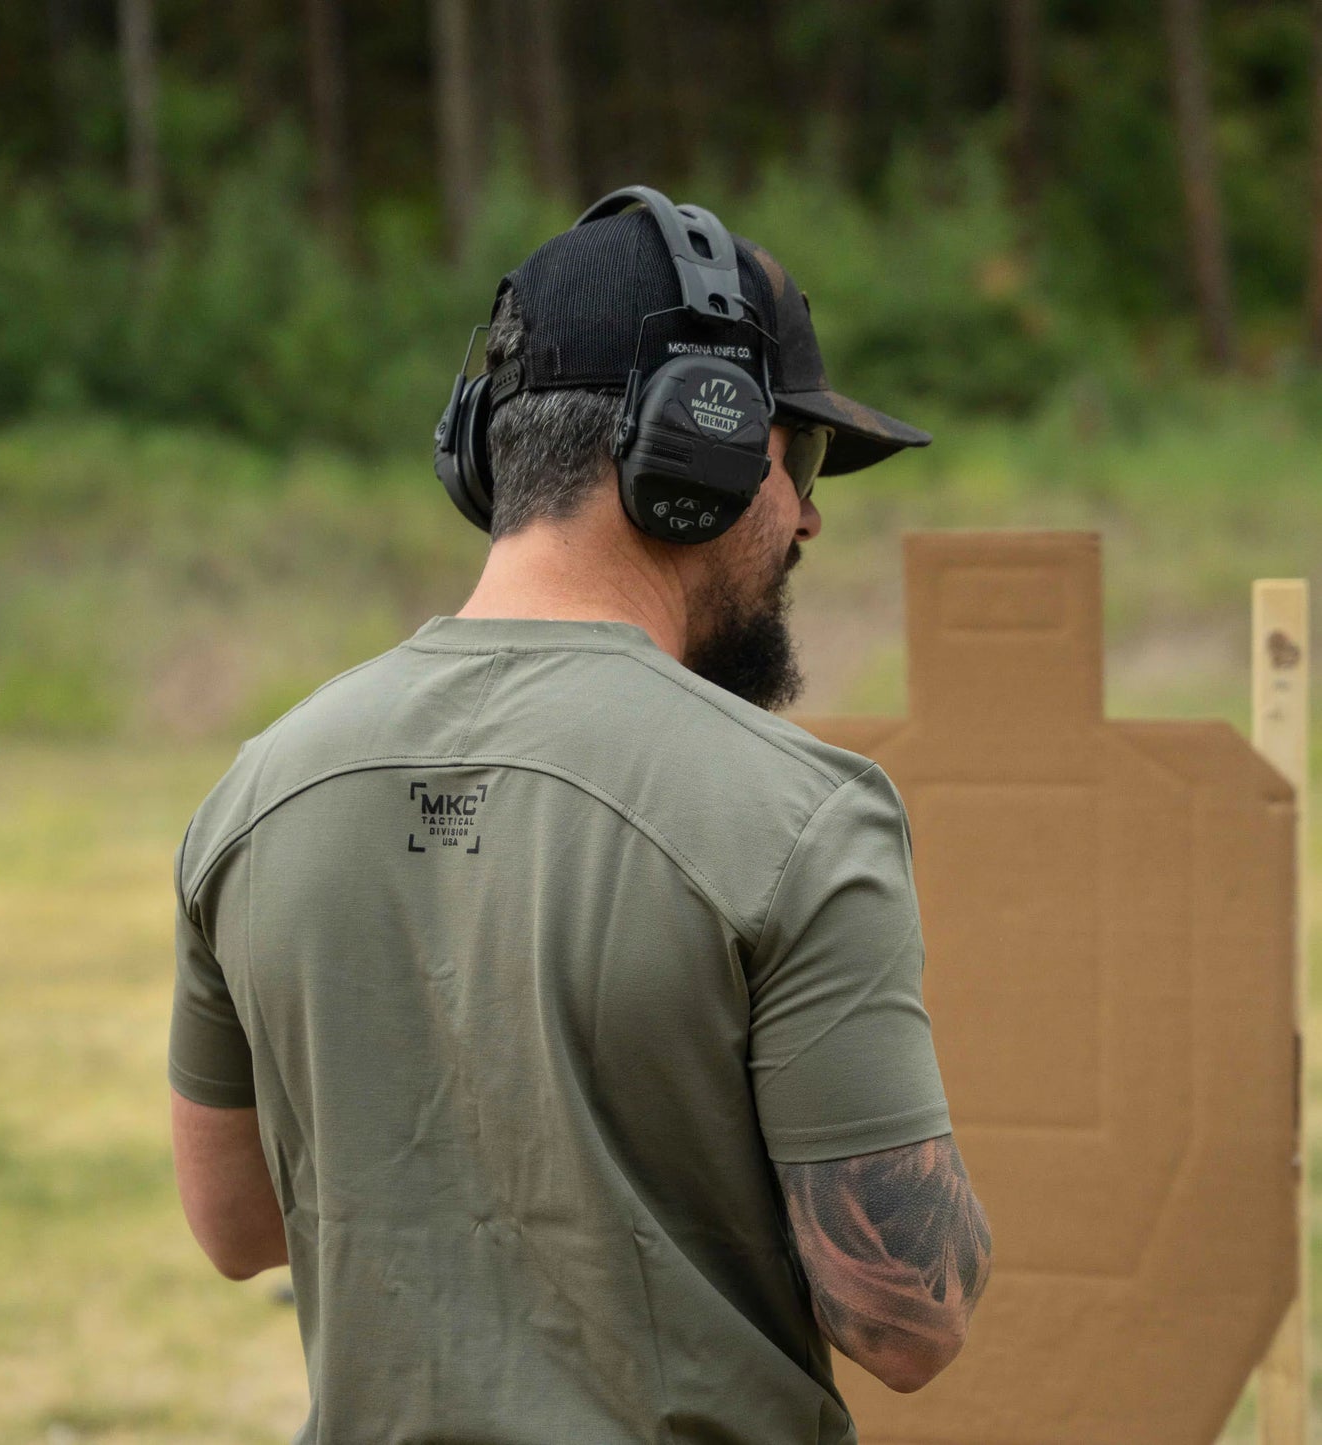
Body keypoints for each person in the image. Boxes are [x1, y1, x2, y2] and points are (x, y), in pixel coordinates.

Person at [168, 188, 991, 1445]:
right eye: (801, 459)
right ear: (700, 446)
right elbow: (904, 1318)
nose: (812, 515)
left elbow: (235, 1227)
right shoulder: (800, 816)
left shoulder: (253, 795)